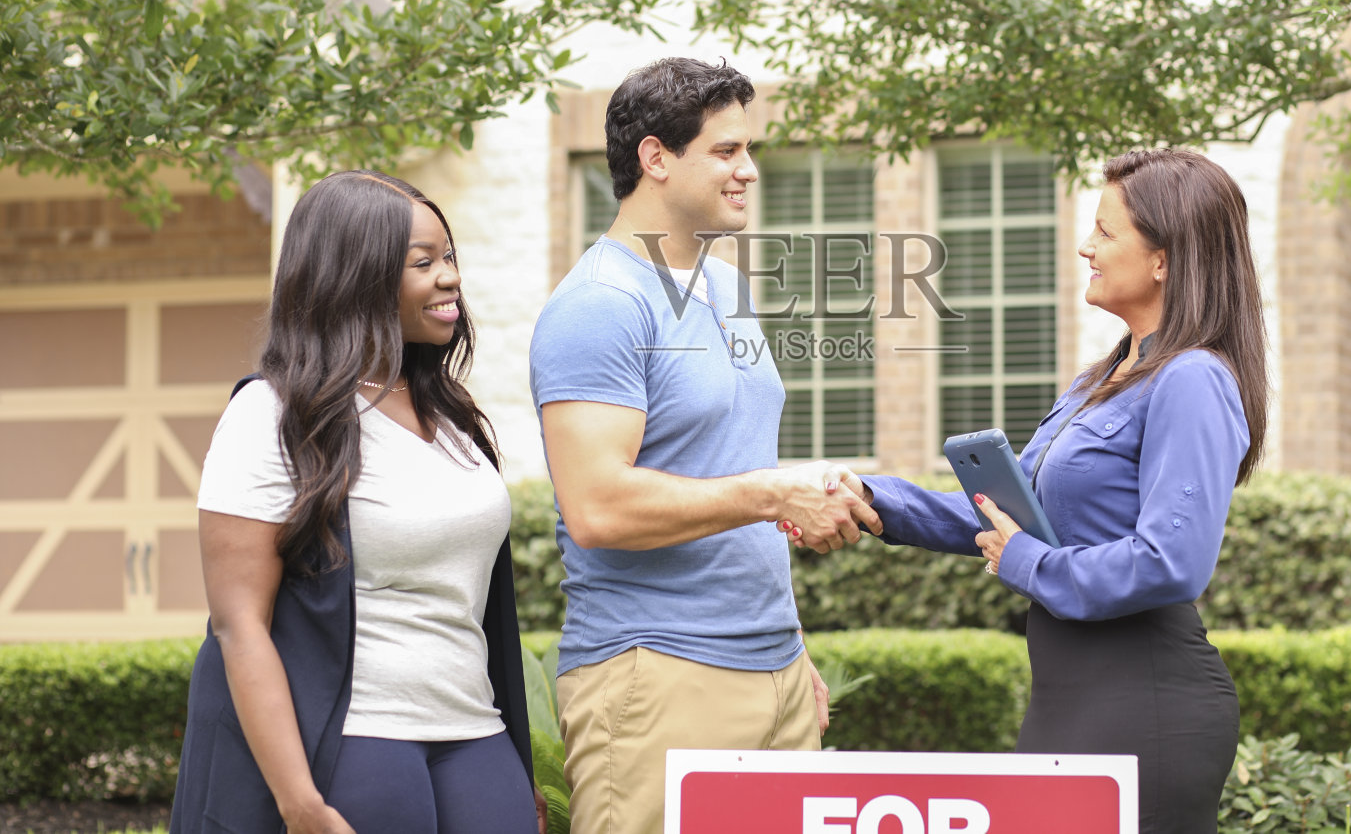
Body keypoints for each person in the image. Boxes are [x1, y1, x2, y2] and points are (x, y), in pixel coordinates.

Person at [825, 148, 1267, 834]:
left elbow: (1172, 561)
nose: (1086, 246)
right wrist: (874, 499)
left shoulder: (1193, 378)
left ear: (1165, 258)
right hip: (1067, 695)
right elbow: (1009, 514)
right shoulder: (1103, 377)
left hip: (1143, 702)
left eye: (1106, 231)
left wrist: (1028, 561)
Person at [528, 57, 880, 834]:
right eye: (725, 151)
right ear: (656, 157)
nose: (748, 170)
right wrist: (773, 493)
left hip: (774, 668)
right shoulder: (599, 305)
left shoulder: (727, 289)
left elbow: (724, 460)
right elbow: (597, 507)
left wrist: (787, 644)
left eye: (747, 150)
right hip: (657, 673)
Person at [171, 170, 544, 834]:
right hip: (356, 738)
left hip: (475, 730)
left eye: (450, 256)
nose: (450, 277)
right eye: (423, 263)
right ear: (356, 276)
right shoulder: (275, 414)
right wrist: (298, 800)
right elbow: (239, 624)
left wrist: (514, 761)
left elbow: (479, 605)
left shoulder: (450, 416)